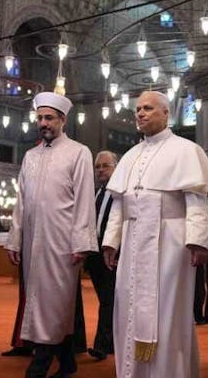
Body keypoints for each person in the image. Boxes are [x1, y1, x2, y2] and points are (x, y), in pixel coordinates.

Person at [101, 91, 208, 378]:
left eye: (148, 108)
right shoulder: (129, 156)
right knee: (127, 306)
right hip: (132, 241)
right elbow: (119, 203)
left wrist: (198, 242)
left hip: (171, 243)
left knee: (169, 311)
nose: (140, 113)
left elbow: (197, 202)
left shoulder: (187, 150)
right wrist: (110, 242)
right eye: (138, 109)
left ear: (166, 113)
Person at [5, 92, 97, 378]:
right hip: (33, 241)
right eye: (40, 118)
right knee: (46, 303)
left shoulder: (79, 152)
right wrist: (15, 239)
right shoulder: (30, 156)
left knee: (56, 302)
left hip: (62, 242)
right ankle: (67, 362)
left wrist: (82, 242)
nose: (43, 123)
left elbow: (84, 200)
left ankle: (39, 365)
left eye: (49, 118)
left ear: (62, 120)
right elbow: (21, 202)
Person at [84, 150, 119, 360]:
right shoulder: (97, 193)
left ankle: (102, 346)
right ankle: (112, 342)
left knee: (108, 300)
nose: (100, 170)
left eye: (105, 166)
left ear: (116, 167)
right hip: (95, 256)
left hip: (113, 254)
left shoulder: (120, 193)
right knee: (107, 300)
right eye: (97, 167)